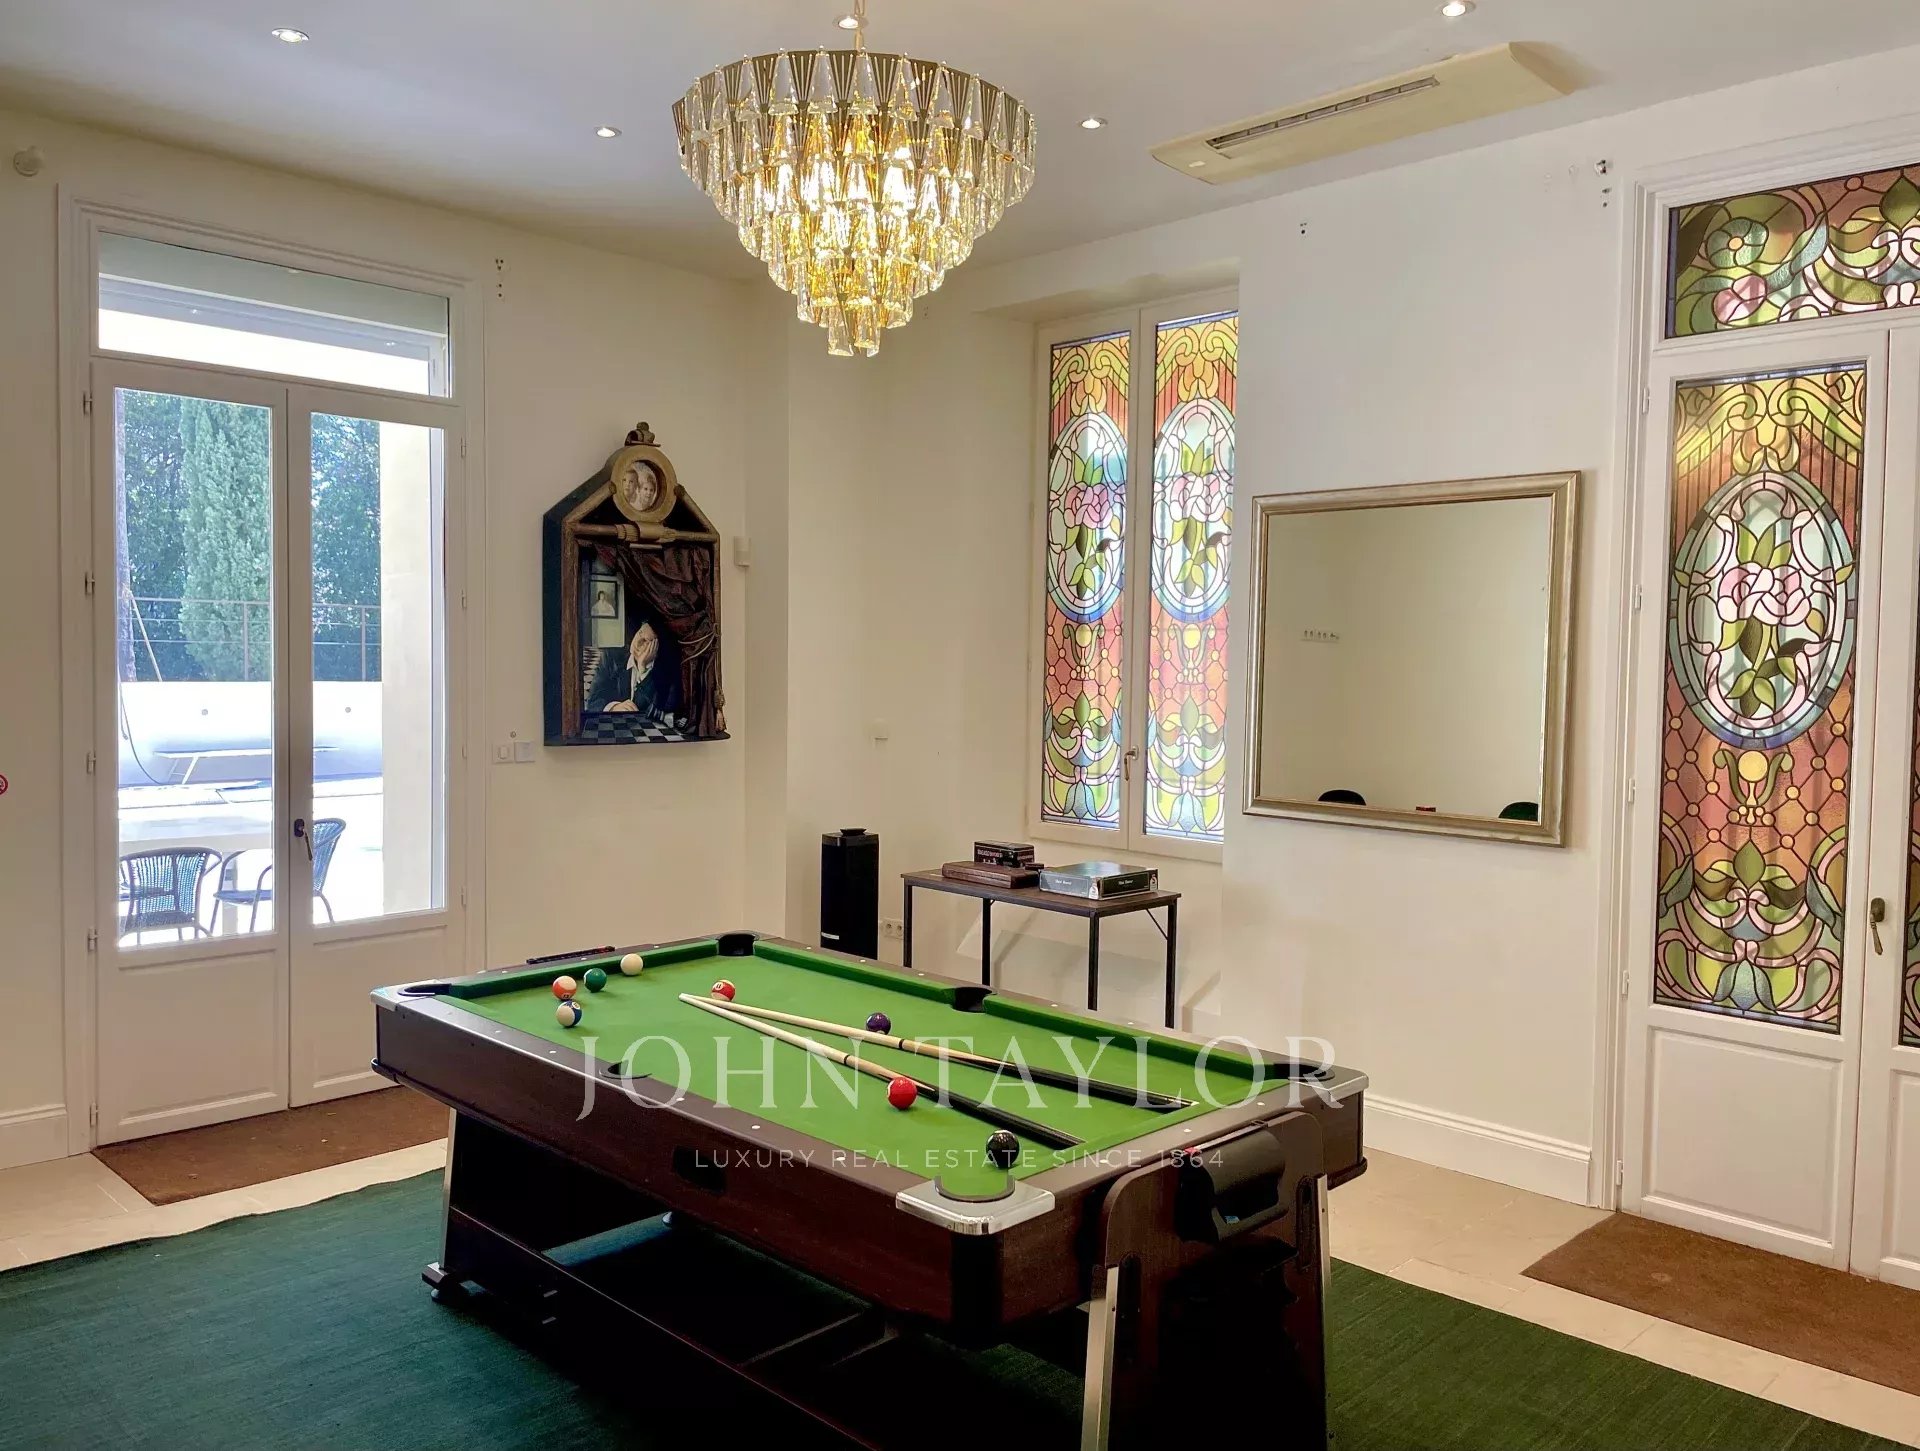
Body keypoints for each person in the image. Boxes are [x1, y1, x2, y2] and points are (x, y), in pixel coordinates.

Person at [586, 619, 680, 721]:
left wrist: (642, 670)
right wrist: (614, 708)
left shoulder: (667, 672)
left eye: (646, 641)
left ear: (656, 649)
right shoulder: (611, 657)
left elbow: (659, 713)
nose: (637, 642)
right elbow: (592, 702)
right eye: (640, 633)